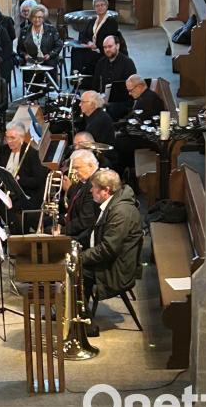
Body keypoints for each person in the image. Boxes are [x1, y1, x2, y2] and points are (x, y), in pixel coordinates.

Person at [80, 169, 143, 335]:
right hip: (111, 261)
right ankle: (75, 312)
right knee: (75, 266)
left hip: (117, 269)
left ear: (106, 190)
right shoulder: (113, 204)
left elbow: (108, 249)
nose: (91, 190)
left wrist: (80, 258)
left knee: (75, 270)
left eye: (94, 187)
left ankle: (83, 321)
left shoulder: (121, 212)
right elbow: (96, 235)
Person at [0, 122, 48, 233]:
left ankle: (16, 237)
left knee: (10, 207)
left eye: (12, 138)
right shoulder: (4, 150)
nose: (9, 141)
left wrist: (18, 180)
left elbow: (38, 181)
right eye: (7, 137)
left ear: (22, 137)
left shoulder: (32, 154)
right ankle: (0, 237)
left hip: (25, 194)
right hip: (6, 193)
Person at [113, 74, 166, 174]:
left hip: (149, 139)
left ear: (140, 86)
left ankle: (123, 171)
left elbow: (136, 123)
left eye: (130, 90)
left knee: (117, 142)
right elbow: (133, 119)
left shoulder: (148, 101)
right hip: (142, 133)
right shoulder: (145, 97)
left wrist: (120, 130)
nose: (129, 94)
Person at [60, 150, 100, 248]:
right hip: (77, 227)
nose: (75, 172)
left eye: (77, 168)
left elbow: (86, 221)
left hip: (84, 236)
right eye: (73, 168)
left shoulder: (95, 185)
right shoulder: (84, 181)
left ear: (90, 166)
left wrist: (62, 230)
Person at [92, 35, 137, 119]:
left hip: (122, 101)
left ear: (117, 46)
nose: (107, 50)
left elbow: (131, 88)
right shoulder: (100, 63)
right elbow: (95, 84)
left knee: (111, 109)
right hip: (103, 98)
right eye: (105, 47)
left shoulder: (128, 63)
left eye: (110, 46)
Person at [70, 0, 118, 76]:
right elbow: (82, 35)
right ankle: (75, 75)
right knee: (75, 50)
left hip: (102, 50)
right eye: (97, 6)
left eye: (102, 5)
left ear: (106, 6)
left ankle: (85, 78)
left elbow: (110, 39)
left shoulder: (112, 22)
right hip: (91, 48)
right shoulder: (92, 21)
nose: (100, 7)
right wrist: (89, 43)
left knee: (88, 56)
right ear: (94, 8)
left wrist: (96, 45)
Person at [17, 4, 63, 87]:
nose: (37, 19)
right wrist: (25, 55)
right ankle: (33, 96)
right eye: (34, 17)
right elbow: (19, 49)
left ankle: (50, 93)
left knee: (50, 68)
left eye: (40, 17)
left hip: (48, 60)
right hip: (32, 60)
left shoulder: (51, 29)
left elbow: (59, 45)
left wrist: (50, 54)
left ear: (43, 18)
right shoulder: (24, 31)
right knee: (29, 70)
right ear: (31, 17)